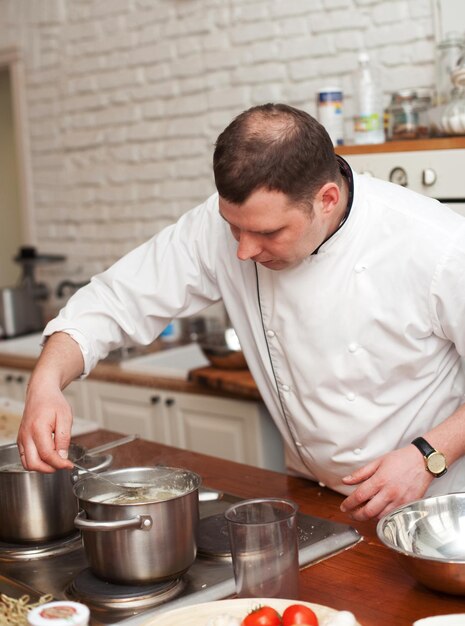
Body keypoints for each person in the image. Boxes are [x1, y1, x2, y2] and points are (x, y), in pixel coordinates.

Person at [17, 103, 465, 522]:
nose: (244, 250)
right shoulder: (221, 230)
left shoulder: (438, 245)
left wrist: (429, 454)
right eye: (233, 227)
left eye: (268, 232)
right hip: (315, 497)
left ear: (326, 199)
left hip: (434, 506)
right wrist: (45, 382)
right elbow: (114, 301)